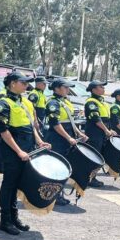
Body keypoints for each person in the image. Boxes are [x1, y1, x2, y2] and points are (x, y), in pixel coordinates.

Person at [0, 72, 50, 235]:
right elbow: (3, 131)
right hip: (13, 151)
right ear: (12, 83)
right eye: (23, 83)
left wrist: (39, 141)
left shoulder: (25, 102)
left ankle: (14, 217)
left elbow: (32, 126)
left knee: (18, 184)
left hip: (26, 150)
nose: (26, 86)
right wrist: (19, 151)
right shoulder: (3, 103)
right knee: (9, 184)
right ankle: (5, 220)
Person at [44, 78, 87, 206]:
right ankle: (53, 195)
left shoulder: (64, 101)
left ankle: (59, 194)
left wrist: (79, 134)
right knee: (56, 168)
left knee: (63, 167)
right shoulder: (53, 103)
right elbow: (55, 124)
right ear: (57, 88)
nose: (68, 90)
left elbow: (71, 121)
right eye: (65, 87)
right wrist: (68, 138)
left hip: (67, 137)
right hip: (57, 139)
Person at [84, 80, 116, 188]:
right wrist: (106, 130)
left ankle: (93, 176)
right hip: (95, 132)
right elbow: (96, 119)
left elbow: (106, 119)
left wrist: (110, 129)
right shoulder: (91, 102)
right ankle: (89, 178)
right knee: (94, 155)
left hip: (101, 132)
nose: (103, 88)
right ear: (94, 89)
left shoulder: (102, 101)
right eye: (101, 87)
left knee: (100, 155)